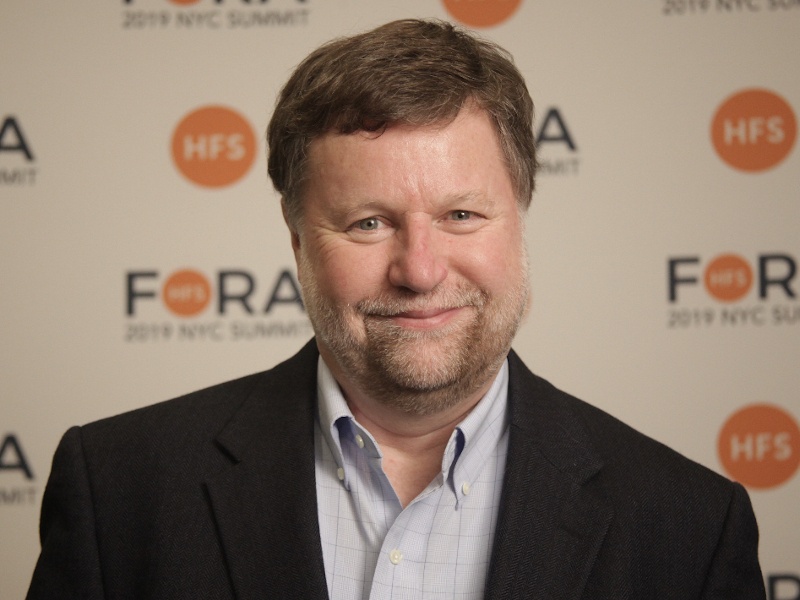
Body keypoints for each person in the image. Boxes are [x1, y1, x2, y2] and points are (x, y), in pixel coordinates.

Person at [28, 19, 765, 600]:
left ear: (522, 217)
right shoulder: (121, 492)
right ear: (295, 242)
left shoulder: (689, 528)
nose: (419, 269)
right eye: (368, 223)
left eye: (462, 215)